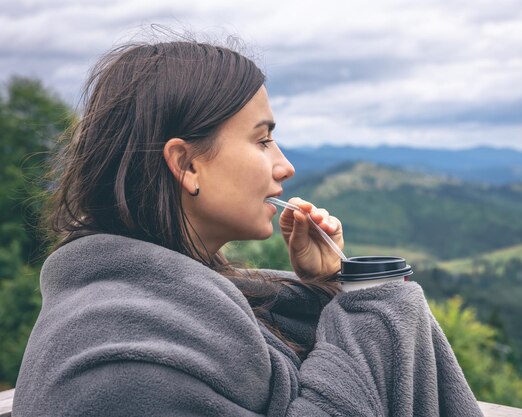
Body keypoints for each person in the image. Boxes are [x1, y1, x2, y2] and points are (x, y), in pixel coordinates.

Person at [13, 39, 483, 417]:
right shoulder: (125, 359)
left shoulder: (164, 312)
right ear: (186, 164)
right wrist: (372, 300)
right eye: (262, 140)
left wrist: (331, 286)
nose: (285, 167)